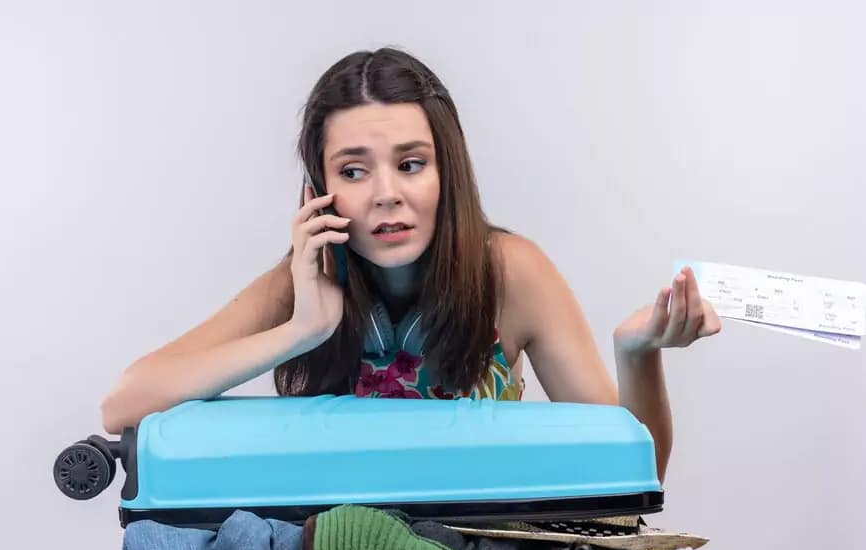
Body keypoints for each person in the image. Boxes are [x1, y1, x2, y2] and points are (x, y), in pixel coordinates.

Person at [100, 47, 721, 484]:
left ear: (448, 172)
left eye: (411, 164)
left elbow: (633, 474)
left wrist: (637, 354)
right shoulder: (303, 282)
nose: (385, 194)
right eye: (352, 171)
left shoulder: (510, 272)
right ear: (319, 190)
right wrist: (300, 330)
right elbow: (124, 404)